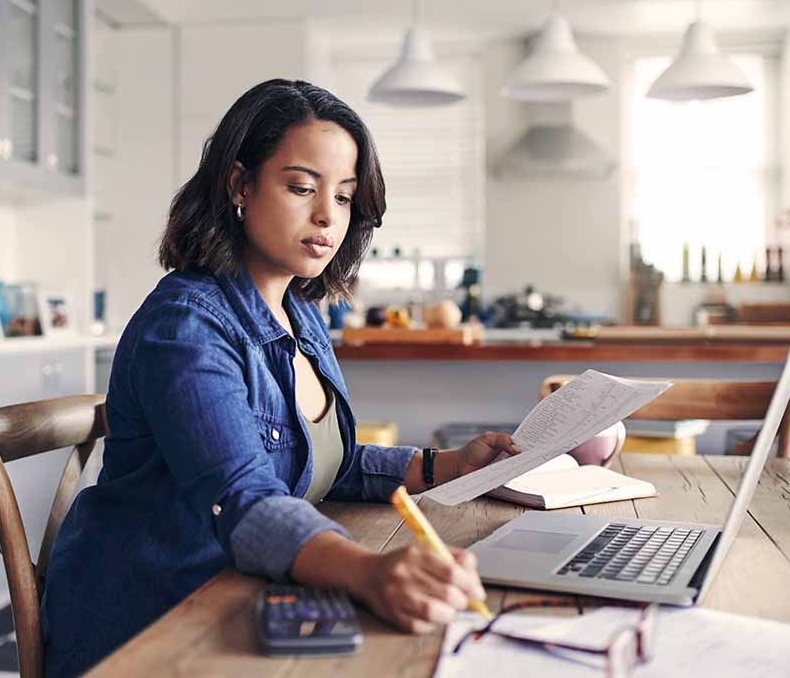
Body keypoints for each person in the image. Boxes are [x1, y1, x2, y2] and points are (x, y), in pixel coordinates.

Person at [40, 79, 518, 677]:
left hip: (241, 597)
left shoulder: (301, 314)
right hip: (155, 624)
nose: (327, 216)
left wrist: (448, 466)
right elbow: (245, 499)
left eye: (344, 198)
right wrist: (369, 571)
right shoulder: (186, 325)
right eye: (301, 187)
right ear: (240, 184)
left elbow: (325, 462)